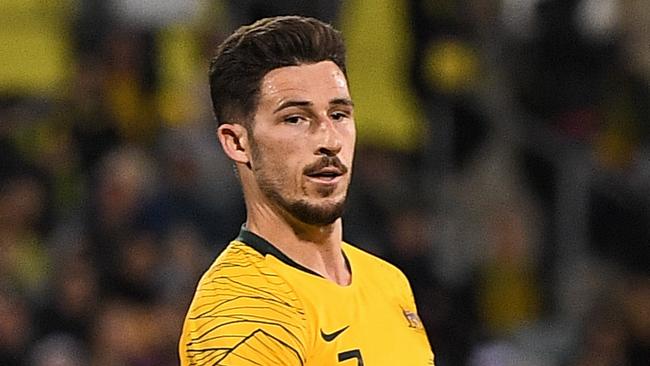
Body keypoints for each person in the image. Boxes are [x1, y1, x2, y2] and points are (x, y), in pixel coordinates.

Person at [179, 15, 434, 365]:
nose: (329, 140)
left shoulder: (389, 283)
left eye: (339, 115)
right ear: (238, 143)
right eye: (295, 119)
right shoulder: (241, 309)